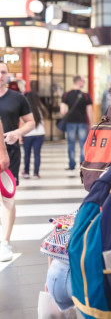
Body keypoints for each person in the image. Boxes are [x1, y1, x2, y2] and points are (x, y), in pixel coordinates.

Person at [0, 61, 35, 261]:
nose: (0, 75)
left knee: (8, 198)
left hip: (9, 154)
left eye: (3, 72)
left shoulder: (17, 98)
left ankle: (5, 241)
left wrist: (18, 132)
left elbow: (31, 122)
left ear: (8, 75)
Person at [60, 75, 93, 171]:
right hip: (82, 123)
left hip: (70, 123)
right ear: (78, 82)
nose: (84, 83)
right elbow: (89, 111)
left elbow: (62, 110)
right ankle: (82, 165)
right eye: (83, 81)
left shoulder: (66, 95)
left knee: (71, 144)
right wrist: (91, 124)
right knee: (83, 144)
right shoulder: (86, 96)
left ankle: (71, 164)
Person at [23, 91, 48, 179]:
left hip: (27, 134)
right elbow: (44, 122)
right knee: (37, 154)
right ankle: (36, 173)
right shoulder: (41, 108)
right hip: (39, 134)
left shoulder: (24, 109)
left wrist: (19, 135)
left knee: (27, 154)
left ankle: (26, 172)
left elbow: (21, 123)